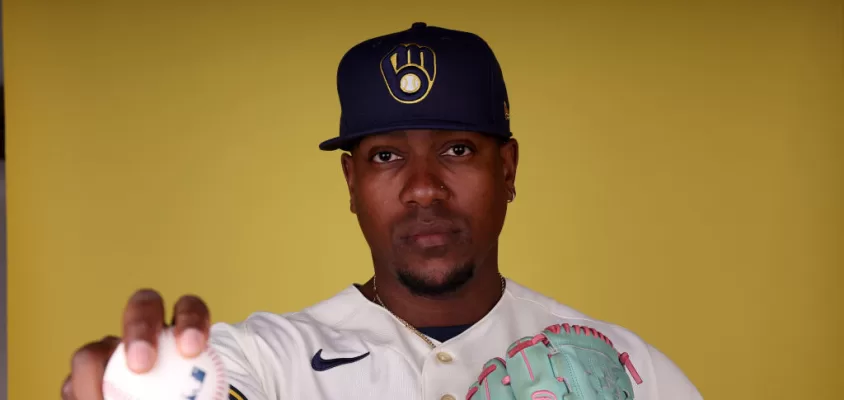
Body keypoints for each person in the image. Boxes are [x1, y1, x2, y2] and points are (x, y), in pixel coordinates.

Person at [61, 22, 702, 400]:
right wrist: (132, 381)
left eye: (456, 148)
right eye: (388, 157)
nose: (424, 188)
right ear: (350, 180)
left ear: (506, 168)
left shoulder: (625, 369)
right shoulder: (263, 363)